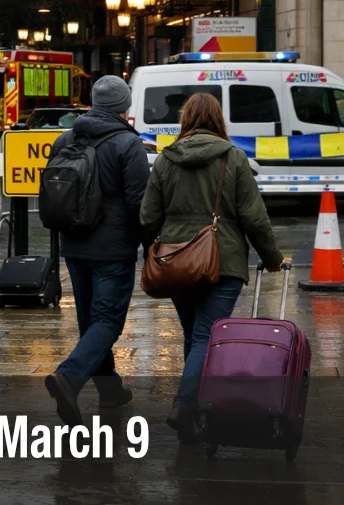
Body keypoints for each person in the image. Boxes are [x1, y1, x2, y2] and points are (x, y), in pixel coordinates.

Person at [139, 92, 286, 443]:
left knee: (195, 335)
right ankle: (185, 405)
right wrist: (272, 258)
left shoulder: (165, 160)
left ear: (186, 119)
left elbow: (147, 216)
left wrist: (159, 246)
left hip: (176, 262)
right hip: (224, 261)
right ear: (219, 119)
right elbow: (253, 216)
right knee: (206, 336)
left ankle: (193, 417)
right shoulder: (233, 158)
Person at [44, 75, 151, 427]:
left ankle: (110, 390)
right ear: (124, 106)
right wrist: (151, 245)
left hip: (74, 244)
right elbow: (139, 201)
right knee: (107, 320)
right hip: (113, 248)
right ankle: (69, 377)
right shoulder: (127, 143)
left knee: (91, 320)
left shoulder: (65, 138)